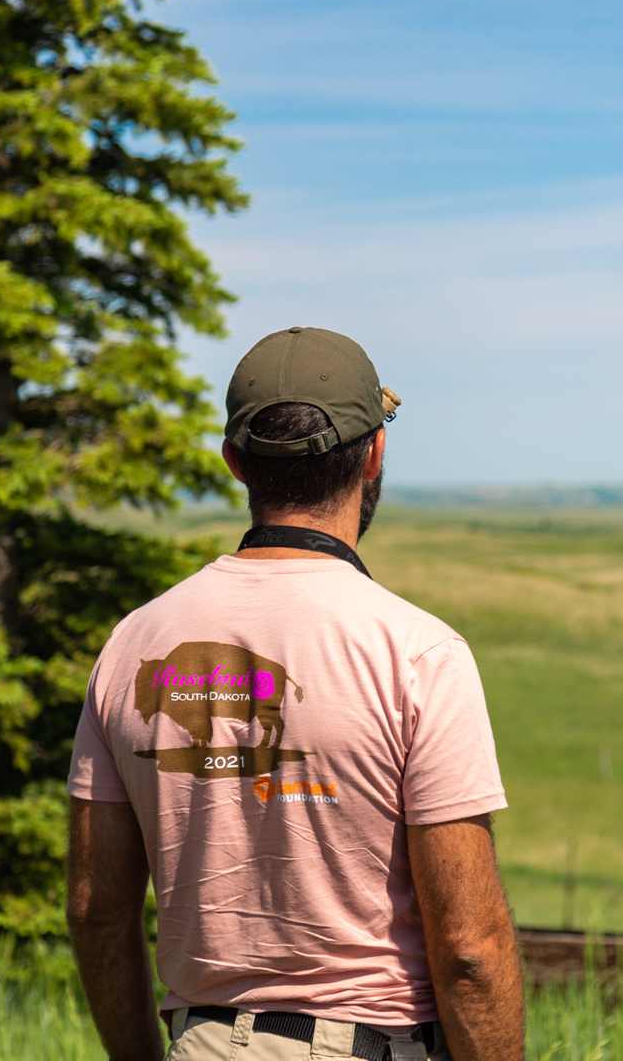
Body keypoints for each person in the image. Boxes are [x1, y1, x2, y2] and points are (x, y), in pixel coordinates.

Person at [65, 326, 522, 1061]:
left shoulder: (133, 645)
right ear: (374, 454)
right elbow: (468, 947)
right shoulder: (418, 653)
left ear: (235, 461)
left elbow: (96, 910)